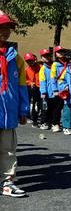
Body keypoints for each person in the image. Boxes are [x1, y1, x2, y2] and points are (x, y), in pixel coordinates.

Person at [0, 11, 29, 197]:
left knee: (8, 149)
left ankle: (7, 183)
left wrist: (23, 109)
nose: (5, 31)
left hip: (8, 112)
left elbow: (21, 86)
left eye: (7, 27)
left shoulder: (16, 58)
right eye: (1, 27)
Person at [50, 45, 69, 132]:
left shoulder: (68, 63)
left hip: (66, 89)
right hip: (58, 89)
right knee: (57, 108)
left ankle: (65, 124)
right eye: (59, 52)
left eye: (62, 51)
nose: (61, 53)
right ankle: (55, 124)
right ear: (56, 54)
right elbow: (53, 78)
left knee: (65, 107)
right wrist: (55, 90)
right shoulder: (55, 64)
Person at [39, 48, 56, 130]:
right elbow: (42, 81)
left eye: (48, 56)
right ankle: (44, 122)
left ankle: (51, 122)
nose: (46, 58)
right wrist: (43, 92)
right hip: (46, 93)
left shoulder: (54, 66)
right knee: (45, 108)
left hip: (54, 92)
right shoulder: (43, 69)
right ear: (41, 58)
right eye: (44, 56)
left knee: (53, 108)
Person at [24, 53, 41, 127]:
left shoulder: (40, 67)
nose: (29, 62)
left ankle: (36, 116)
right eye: (27, 61)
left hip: (39, 88)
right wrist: (30, 82)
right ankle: (28, 116)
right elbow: (25, 79)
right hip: (29, 88)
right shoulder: (26, 69)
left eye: (30, 60)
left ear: (34, 60)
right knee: (28, 102)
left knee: (38, 103)